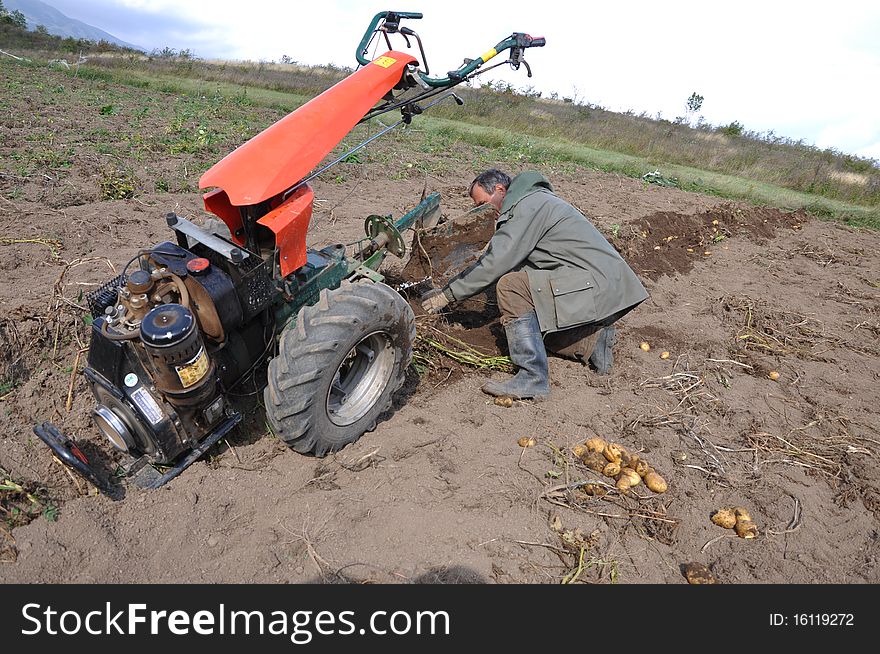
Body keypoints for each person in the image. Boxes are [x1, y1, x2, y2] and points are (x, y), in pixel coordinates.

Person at [421, 169, 648, 400]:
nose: (483, 211)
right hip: (603, 283)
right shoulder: (535, 200)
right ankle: (592, 343)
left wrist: (448, 294)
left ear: (500, 190)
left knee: (511, 287)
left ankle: (532, 377)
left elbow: (497, 261)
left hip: (597, 286)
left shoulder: (528, 206)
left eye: (482, 203)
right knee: (528, 327)